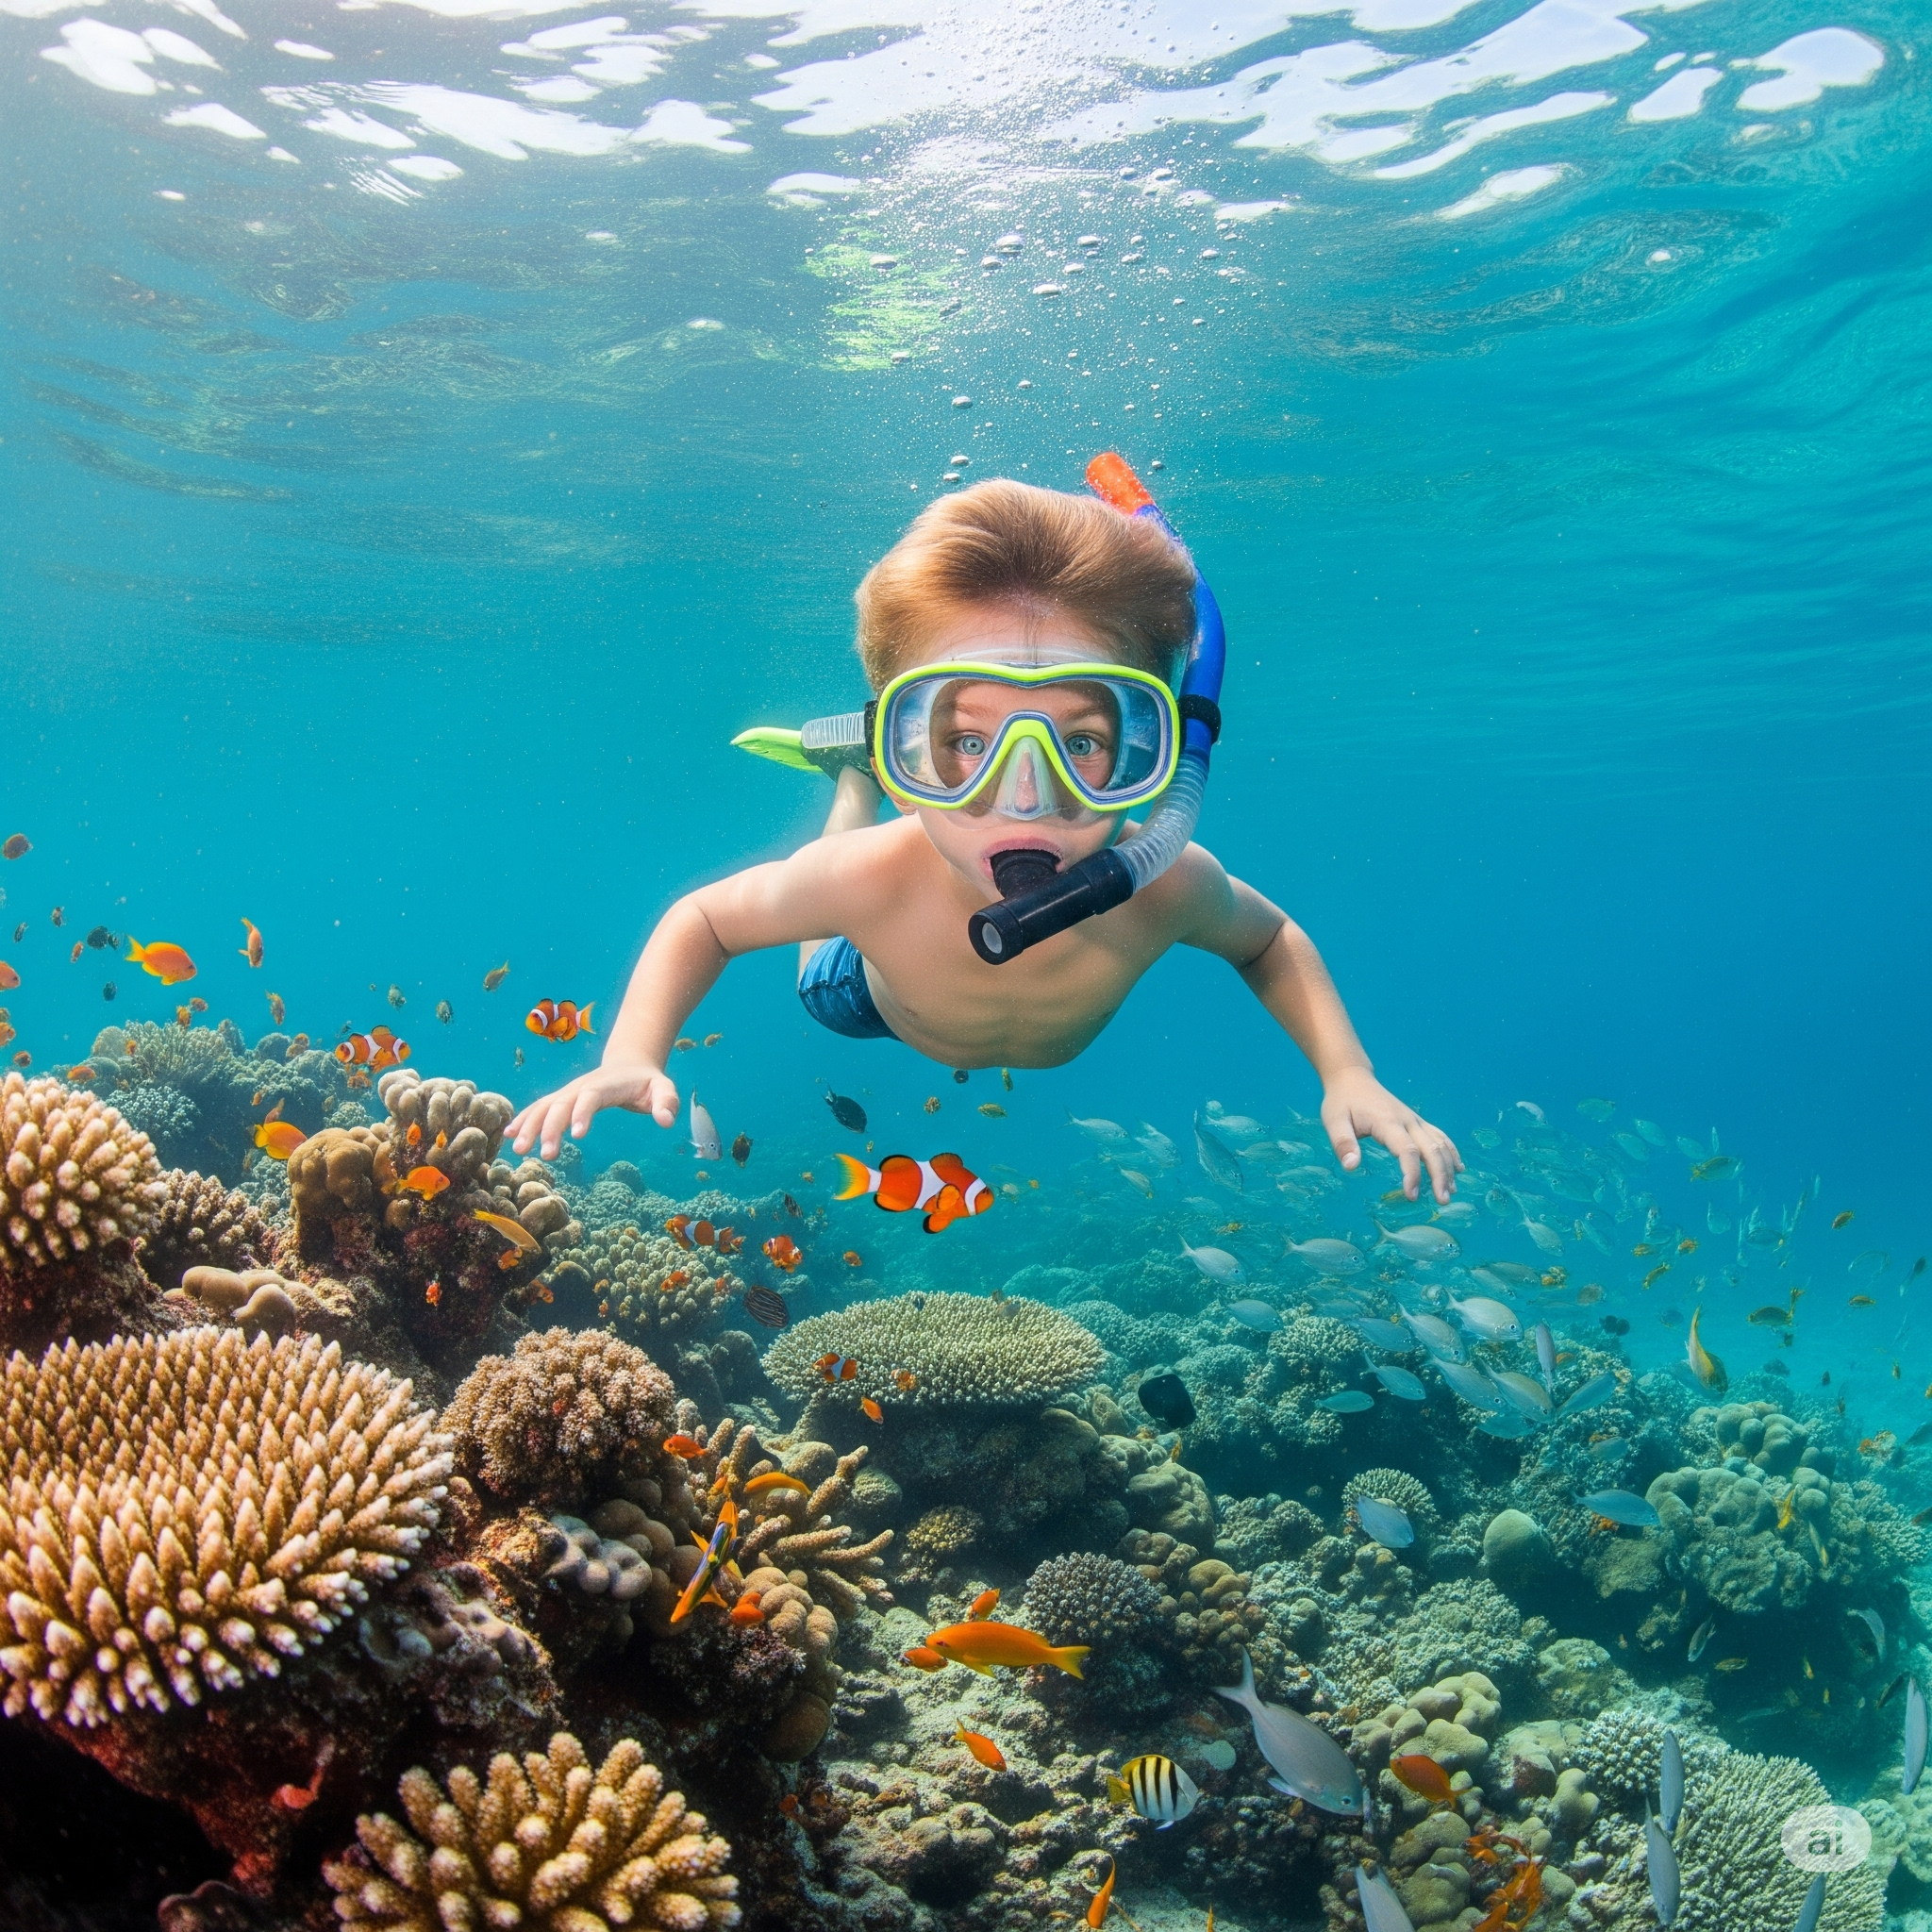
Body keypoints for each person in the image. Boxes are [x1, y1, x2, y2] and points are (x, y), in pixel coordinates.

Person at [507, 475, 1461, 1202]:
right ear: (903, 735)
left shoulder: (1165, 882)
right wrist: (634, 1051)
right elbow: (705, 919)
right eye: (963, 741)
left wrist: (1348, 1072)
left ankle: (875, 765)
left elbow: (1267, 939)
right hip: (862, 996)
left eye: (1082, 739)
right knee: (819, 919)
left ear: (1156, 748)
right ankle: (853, 776)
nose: (1023, 793)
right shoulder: (869, 881)